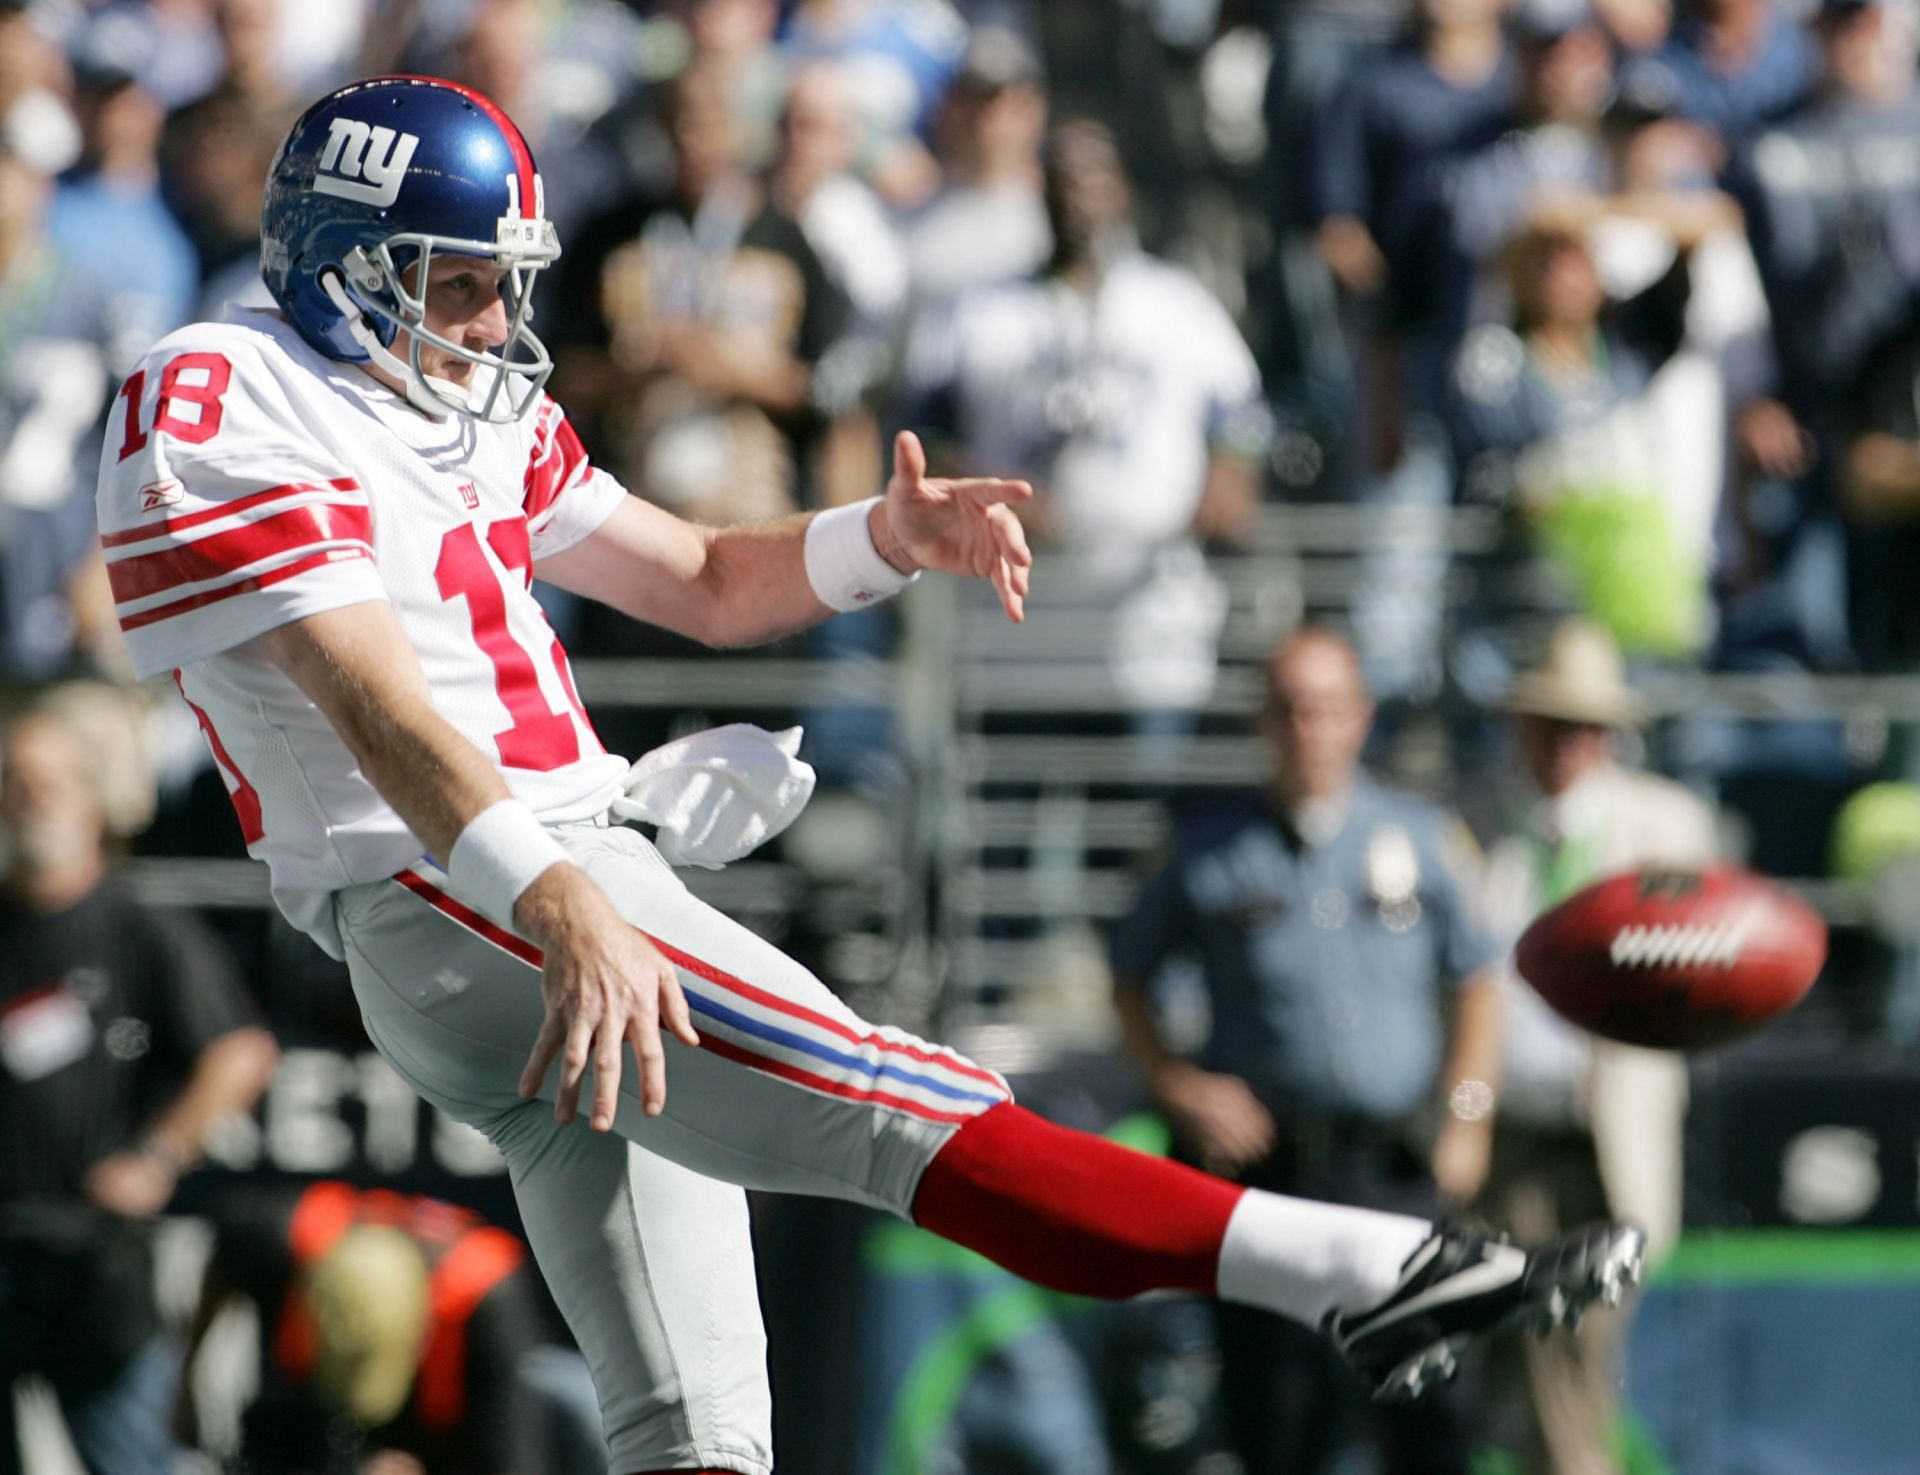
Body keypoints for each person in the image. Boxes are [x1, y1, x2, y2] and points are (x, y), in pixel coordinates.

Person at [96, 75, 1642, 1475]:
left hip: (533, 893)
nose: (493, 323)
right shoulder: (222, 389)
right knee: (901, 1105)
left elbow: (700, 573)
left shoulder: (447, 405)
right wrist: (560, 888)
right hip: (471, 893)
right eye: (455, 283)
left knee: (697, 1433)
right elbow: (369, 698)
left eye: (503, 284)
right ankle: (1366, 1268)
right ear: (335, 259)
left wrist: (879, 541)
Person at [1111, 627, 1506, 1475]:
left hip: (1392, 1165)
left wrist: (1468, 1111)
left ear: (1360, 718)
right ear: (1264, 721)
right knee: (1278, 1415)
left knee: (1429, 1409)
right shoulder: (1208, 848)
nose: (1309, 728)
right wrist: (1179, 1083)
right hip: (1270, 1171)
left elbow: (1479, 974)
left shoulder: (1421, 835)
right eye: (1291, 709)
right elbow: (1128, 978)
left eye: (1326, 708)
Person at [900, 118, 1268, 728]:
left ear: (1123, 188)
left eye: (1097, 175)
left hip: (1151, 625)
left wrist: (1227, 484)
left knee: (1143, 816)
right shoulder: (976, 313)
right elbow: (921, 442)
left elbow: (1245, 417)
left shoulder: (1176, 304)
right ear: (1038, 187)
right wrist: (992, 497)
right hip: (1017, 640)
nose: (1080, 193)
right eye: (1065, 177)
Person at [0, 703, 278, 1475]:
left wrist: (157, 1153)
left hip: (95, 1263)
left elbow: (240, 1049)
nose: (29, 799)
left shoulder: (138, 925)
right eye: (13, 783)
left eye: (47, 783)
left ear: (91, 799)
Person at [1476, 618, 1708, 1475]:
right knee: (1538, 1346)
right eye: (1551, 723)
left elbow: (1699, 979)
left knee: (1569, 1345)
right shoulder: (1468, 824)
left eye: (1585, 725)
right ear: (1520, 726)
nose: (1568, 744)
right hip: (1505, 1135)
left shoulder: (1667, 826)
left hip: (1613, 1134)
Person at [185, 1179, 574, 1475]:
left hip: (445, 1439)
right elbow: (222, 1257)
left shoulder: (488, 1304)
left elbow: (513, 1460)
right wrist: (187, 1378)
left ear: (420, 1337)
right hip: (311, 1414)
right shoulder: (276, 1238)